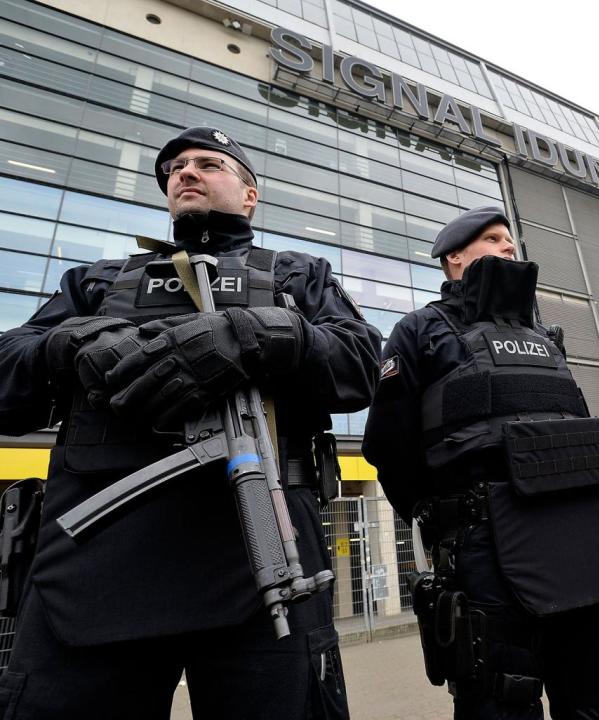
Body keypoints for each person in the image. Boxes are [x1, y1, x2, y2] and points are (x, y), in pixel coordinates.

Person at [0, 127, 382, 718]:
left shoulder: (295, 274)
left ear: (250, 194)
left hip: (264, 553)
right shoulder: (98, 282)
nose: (186, 172)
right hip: (94, 563)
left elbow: (360, 365)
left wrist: (253, 334)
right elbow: (7, 375)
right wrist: (68, 344)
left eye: (209, 164)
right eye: (176, 167)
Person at [362, 207, 599, 719]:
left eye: (510, 239)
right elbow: (388, 446)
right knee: (500, 700)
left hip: (582, 539)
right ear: (454, 257)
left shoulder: (547, 337)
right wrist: (447, 515)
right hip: (485, 545)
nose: (508, 247)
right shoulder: (420, 329)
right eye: (493, 239)